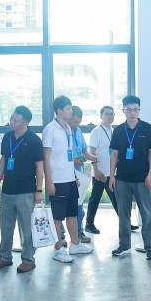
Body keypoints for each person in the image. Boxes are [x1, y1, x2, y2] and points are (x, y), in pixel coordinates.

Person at [42, 95, 95, 263]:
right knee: (57, 217)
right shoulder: (50, 129)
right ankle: (58, 250)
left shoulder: (68, 129)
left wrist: (73, 175)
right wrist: (49, 181)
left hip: (70, 179)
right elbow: (46, 158)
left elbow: (68, 156)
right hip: (57, 181)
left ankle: (75, 245)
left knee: (72, 213)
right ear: (59, 110)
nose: (71, 111)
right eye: (68, 108)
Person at [0, 106, 43, 273]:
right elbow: (4, 159)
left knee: (27, 228)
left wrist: (38, 190)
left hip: (26, 190)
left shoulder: (34, 140)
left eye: (15, 120)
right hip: (8, 189)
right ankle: (4, 257)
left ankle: (28, 259)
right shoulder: (7, 137)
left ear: (25, 122)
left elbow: (39, 166)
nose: (11, 121)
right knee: (6, 227)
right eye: (11, 118)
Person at [110, 96, 151, 259]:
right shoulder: (118, 130)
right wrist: (112, 176)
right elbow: (114, 155)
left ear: (139, 110)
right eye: (129, 110)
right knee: (123, 214)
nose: (132, 113)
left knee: (147, 214)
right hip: (122, 179)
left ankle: (150, 247)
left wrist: (150, 174)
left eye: (135, 110)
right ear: (123, 110)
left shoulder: (147, 128)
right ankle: (124, 245)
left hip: (143, 179)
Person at [86, 106, 118, 235]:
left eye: (112, 114)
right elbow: (92, 152)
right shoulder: (96, 131)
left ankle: (125, 222)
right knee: (95, 199)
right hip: (100, 173)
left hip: (112, 172)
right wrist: (96, 170)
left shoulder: (113, 131)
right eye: (107, 114)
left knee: (116, 199)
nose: (110, 116)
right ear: (101, 116)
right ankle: (89, 224)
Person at [70, 106, 97, 244]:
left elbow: (85, 152)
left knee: (79, 205)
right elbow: (68, 159)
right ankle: (61, 235)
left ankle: (79, 232)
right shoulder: (62, 132)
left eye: (78, 122)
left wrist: (93, 157)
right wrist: (82, 159)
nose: (76, 125)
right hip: (66, 174)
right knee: (63, 206)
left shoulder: (78, 131)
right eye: (74, 122)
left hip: (79, 174)